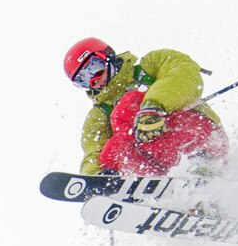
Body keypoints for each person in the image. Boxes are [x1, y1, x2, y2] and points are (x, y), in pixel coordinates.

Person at [63, 37, 228, 177]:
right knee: (114, 150)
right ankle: (170, 199)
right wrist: (97, 179)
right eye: (83, 79)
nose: (94, 80)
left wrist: (153, 106)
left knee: (127, 106)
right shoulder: (99, 115)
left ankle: (200, 168)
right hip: (163, 167)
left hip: (198, 136)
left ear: (107, 56)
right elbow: (93, 154)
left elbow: (184, 73)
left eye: (94, 68)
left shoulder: (151, 65)